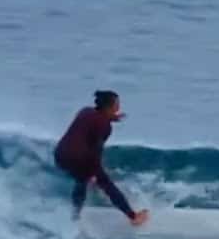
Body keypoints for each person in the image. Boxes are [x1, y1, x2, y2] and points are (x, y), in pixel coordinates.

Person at [54, 90, 150, 226]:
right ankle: (133, 216)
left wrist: (112, 118)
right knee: (105, 183)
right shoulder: (105, 126)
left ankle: (75, 214)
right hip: (77, 158)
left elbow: (90, 124)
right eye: (117, 104)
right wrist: (93, 173)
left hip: (60, 154)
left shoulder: (85, 111)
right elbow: (95, 152)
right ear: (109, 107)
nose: (118, 107)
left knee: (81, 179)